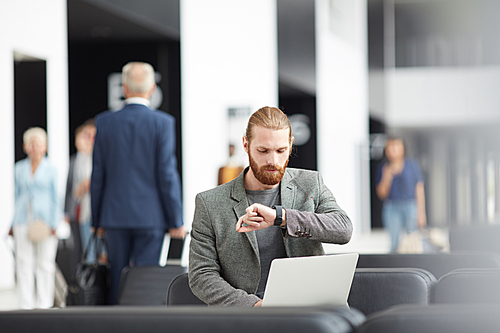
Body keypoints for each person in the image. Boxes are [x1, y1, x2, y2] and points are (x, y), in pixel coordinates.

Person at [189, 106, 353, 307]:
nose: (273, 161)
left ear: (290, 145)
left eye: (281, 150)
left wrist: (281, 217)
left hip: (312, 308)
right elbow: (201, 275)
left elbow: (343, 229)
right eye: (263, 151)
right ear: (246, 144)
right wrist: (253, 306)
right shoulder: (210, 203)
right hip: (250, 316)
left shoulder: (311, 183)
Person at [91, 62, 186, 304]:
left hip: (113, 217)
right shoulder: (162, 123)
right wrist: (176, 219)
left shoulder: (104, 122)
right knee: (146, 282)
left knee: (117, 281)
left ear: (123, 87)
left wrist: (96, 219)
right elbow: (166, 173)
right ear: (152, 88)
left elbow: (98, 174)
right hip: (150, 217)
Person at [10, 127, 60, 309]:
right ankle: (26, 304)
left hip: (45, 222)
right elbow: (17, 196)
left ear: (44, 147)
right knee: (23, 263)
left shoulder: (51, 169)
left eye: (38, 144)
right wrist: (12, 223)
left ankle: (44, 304)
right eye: (31, 144)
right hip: (23, 220)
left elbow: (57, 198)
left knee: (45, 263)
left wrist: (55, 223)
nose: (34, 148)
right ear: (25, 146)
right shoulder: (19, 169)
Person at [375, 136, 427, 253]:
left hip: (410, 205)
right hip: (391, 207)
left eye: (396, 146)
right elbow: (382, 194)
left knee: (413, 240)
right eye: (390, 147)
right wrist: (387, 176)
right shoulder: (382, 168)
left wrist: (421, 213)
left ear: (403, 148)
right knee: (394, 242)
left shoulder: (412, 165)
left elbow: (419, 189)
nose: (393, 150)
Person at [64, 119, 96, 274]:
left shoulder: (97, 158)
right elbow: (71, 189)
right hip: (81, 212)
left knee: (95, 253)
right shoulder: (77, 160)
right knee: (82, 250)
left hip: (94, 212)